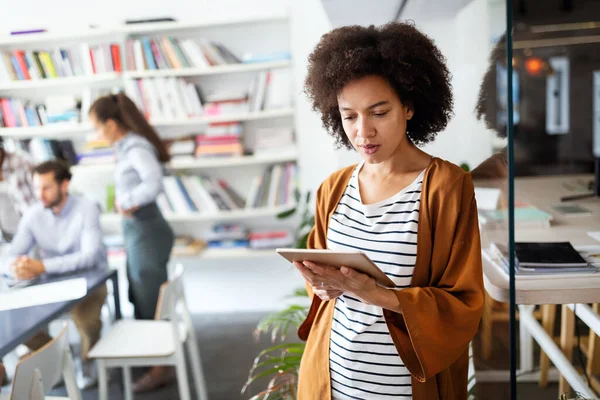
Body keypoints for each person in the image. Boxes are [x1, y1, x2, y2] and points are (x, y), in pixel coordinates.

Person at [294, 22, 484, 400]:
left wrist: (378, 294)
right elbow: (321, 278)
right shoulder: (334, 188)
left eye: (379, 112)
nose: (364, 132)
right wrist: (318, 281)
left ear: (409, 106)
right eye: (349, 116)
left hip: (403, 386)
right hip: (334, 377)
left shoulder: (445, 187)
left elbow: (463, 304)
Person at [88, 92, 175, 393]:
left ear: (111, 124)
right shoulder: (126, 147)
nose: (97, 134)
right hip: (140, 231)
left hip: (146, 231)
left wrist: (126, 201)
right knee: (139, 295)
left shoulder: (136, 147)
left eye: (98, 127)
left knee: (150, 299)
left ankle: (160, 367)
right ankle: (152, 357)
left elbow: (153, 183)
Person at [2, 160, 108, 388]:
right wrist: (17, 265)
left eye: (46, 187)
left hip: (90, 281)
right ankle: (60, 361)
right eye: (36, 188)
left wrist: (44, 266)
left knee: (87, 322)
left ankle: (87, 361)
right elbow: (12, 253)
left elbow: (89, 257)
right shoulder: (33, 214)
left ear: (64, 185)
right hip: (50, 285)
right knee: (20, 325)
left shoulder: (87, 209)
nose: (40, 194)